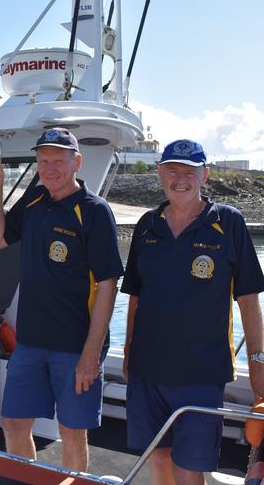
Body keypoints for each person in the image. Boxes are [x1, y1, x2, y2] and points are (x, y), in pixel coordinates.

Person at [121, 139, 264, 485]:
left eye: (190, 171)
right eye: (172, 170)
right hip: (148, 370)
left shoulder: (228, 223)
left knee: (188, 468)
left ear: (205, 175)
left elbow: (248, 302)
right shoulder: (146, 225)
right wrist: (127, 353)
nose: (180, 178)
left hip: (201, 374)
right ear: (160, 174)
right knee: (157, 456)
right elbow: (136, 297)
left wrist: (259, 371)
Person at [0, 127, 123, 471]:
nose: (49, 168)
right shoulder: (33, 201)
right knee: (14, 424)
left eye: (58, 160)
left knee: (71, 432)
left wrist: (91, 354)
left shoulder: (94, 211)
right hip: (30, 343)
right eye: (43, 160)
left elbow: (108, 285)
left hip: (75, 347)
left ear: (77, 162)